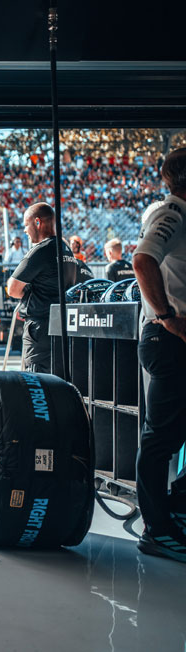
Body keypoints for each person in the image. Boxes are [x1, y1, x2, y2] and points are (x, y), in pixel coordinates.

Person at [131, 147, 186, 562]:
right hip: (168, 340)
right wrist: (168, 317)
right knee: (160, 439)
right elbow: (142, 259)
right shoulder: (172, 214)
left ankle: (176, 509)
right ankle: (157, 528)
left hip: (174, 339)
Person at [5, 202, 79, 373]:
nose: (24, 231)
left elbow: (13, 289)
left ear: (37, 223)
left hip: (40, 328)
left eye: (26, 225)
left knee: (37, 385)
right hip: (63, 326)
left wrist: (30, 290)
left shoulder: (41, 250)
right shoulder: (66, 249)